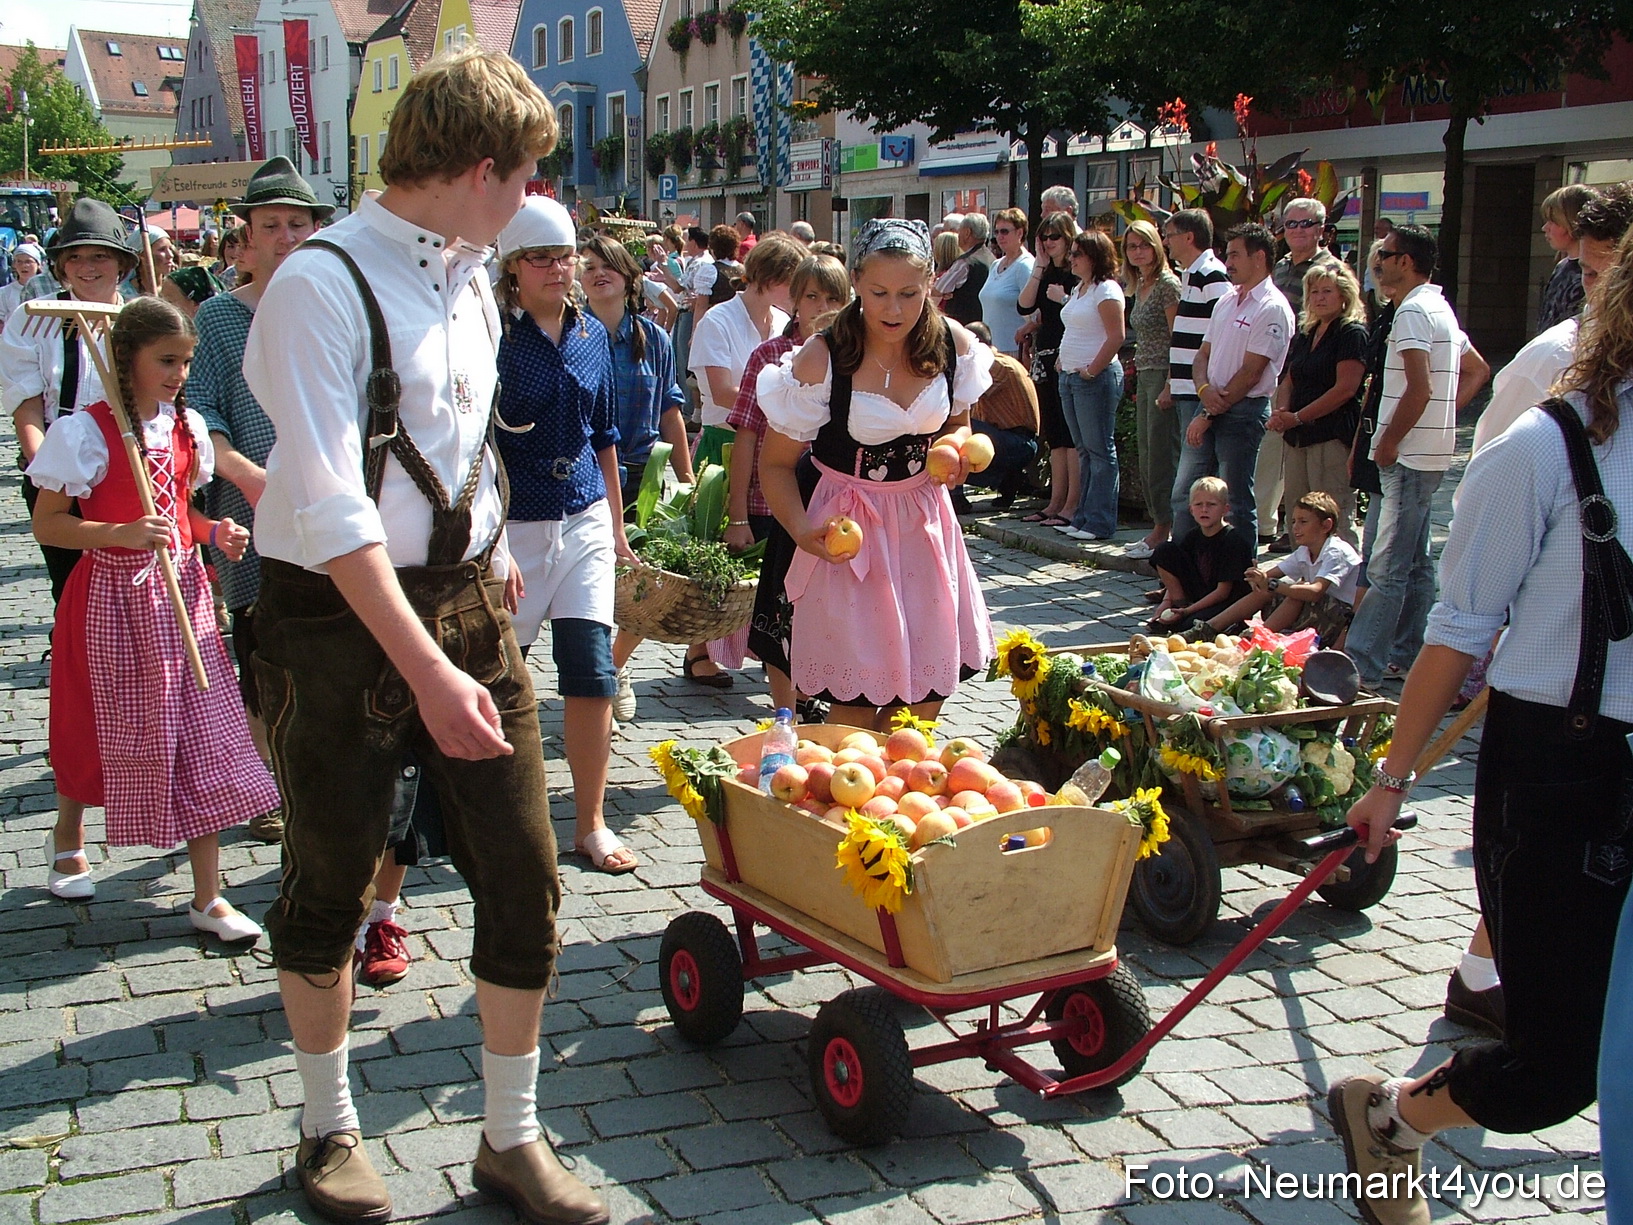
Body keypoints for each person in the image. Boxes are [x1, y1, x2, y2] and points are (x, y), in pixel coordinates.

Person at [240, 47, 607, 1225]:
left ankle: (512, 1136)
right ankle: (328, 1126)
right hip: (338, 623)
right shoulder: (318, 284)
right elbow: (335, 511)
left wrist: (487, 530)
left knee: (523, 874)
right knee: (332, 882)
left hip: (464, 597)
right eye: (529, 174)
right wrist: (427, 669)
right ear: (481, 168)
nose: (535, 200)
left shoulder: (462, 271)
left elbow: (457, 431)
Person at [1332, 224, 1633, 1225]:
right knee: (1558, 1067)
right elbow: (1456, 633)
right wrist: (1390, 776)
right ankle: (1395, 1115)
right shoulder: (1544, 447)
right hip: (1561, 775)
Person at [27, 296, 278, 932]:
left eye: (186, 361)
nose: (178, 373)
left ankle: (207, 896)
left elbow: (177, 521)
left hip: (183, 596)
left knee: (200, 732)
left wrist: (212, 530)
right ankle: (68, 835)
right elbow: (49, 526)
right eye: (166, 360)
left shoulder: (184, 428)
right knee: (97, 724)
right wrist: (120, 531)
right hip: (109, 598)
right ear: (127, 359)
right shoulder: (84, 431)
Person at [757, 218, 995, 731]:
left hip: (923, 529)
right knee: (855, 710)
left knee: (922, 704)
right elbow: (775, 464)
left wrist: (956, 447)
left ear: (930, 283)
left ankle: (898, 800)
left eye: (909, 293)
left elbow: (958, 422)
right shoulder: (824, 358)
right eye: (879, 292)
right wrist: (802, 532)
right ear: (857, 283)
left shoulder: (951, 344)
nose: (894, 309)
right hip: (850, 536)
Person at [493, 199, 639, 877]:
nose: (556, 269)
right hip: (512, 523)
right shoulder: (492, 335)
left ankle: (590, 822)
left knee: (591, 672)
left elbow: (604, 434)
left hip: (580, 514)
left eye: (563, 256)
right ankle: (497, 815)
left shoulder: (590, 335)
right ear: (512, 267)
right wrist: (486, 537)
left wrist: (614, 522)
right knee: (500, 676)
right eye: (539, 258)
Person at [191, 156, 332, 850]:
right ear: (244, 236)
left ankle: (313, 774)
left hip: (324, 502)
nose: (284, 236)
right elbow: (200, 415)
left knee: (324, 642)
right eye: (270, 224)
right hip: (251, 508)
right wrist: (246, 476)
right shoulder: (220, 317)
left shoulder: (333, 304)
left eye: (297, 224)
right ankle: (265, 781)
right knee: (262, 648)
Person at [1345, 224, 1489, 690]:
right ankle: (1407, 653)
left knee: (1387, 564)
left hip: (1407, 457)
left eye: (1385, 254)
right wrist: (1440, 420)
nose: (1378, 261)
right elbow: (1476, 371)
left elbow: (1423, 387)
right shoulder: (1439, 307)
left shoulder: (1412, 310)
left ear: (1405, 261)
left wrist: (1389, 441)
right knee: (1417, 561)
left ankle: (1360, 664)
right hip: (1427, 453)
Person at [580, 233, 696, 723]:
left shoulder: (656, 339)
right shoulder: (573, 335)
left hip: (641, 477)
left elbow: (671, 409)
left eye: (608, 264)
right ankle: (595, 674)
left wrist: (686, 477)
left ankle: (613, 664)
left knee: (644, 588)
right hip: (585, 478)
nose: (597, 271)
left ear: (630, 277)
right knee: (592, 584)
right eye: (587, 265)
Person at [730, 252, 851, 714]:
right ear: (795, 301)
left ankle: (808, 697)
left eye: (833, 297)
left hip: (834, 506)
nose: (821, 306)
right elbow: (747, 436)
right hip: (777, 499)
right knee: (777, 608)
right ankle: (787, 707)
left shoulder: (853, 357)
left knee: (822, 612)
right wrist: (737, 513)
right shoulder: (770, 356)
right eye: (811, 296)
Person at [2, 200, 133, 606]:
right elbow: (24, 396)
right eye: (73, 256)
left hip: (123, 465)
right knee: (72, 585)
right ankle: (71, 655)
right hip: (53, 464)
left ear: (122, 264)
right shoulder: (35, 315)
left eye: (99, 255)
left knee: (126, 577)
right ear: (59, 264)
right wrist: (43, 464)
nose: (86, 266)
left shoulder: (139, 319)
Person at [685, 233, 800, 684]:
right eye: (791, 283)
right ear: (767, 278)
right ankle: (699, 649)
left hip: (772, 443)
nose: (796, 293)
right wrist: (780, 402)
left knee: (763, 556)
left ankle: (756, 641)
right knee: (718, 551)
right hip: (723, 441)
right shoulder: (718, 320)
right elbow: (722, 393)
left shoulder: (782, 321)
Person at [1473, 182, 1633, 457]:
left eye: (1620, 279)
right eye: (1591, 274)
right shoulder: (1553, 357)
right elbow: (1491, 468)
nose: (1605, 293)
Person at [1178, 222, 1294, 543]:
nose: (1227, 263)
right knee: (1189, 493)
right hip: (1210, 405)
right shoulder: (1226, 301)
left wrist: (1209, 412)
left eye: (1234, 255)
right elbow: (1202, 356)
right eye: (1227, 255)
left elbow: (1252, 372)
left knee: (1237, 501)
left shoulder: (1273, 307)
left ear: (1259, 257)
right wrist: (1204, 392)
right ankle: (1187, 572)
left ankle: (1241, 580)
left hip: (1242, 411)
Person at [1260, 199, 1344, 548]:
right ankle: (1274, 525)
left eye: (1305, 224)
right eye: (1290, 224)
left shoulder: (1331, 270)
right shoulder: (1277, 268)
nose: (1296, 230)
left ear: (1321, 229)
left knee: (1303, 462)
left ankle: (1304, 534)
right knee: (1273, 456)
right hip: (1275, 369)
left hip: (1312, 374)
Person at [1269, 262, 1367, 547]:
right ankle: (1304, 580)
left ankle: (1340, 584)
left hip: (1330, 434)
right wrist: (1283, 412)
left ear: (1344, 296)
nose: (1320, 298)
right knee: (1300, 515)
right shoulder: (1307, 332)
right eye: (1314, 292)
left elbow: (1345, 389)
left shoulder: (1351, 333)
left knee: (1332, 514)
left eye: (1327, 291)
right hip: (1298, 437)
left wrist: (1298, 417)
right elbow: (1290, 378)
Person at [1197, 490, 1359, 642]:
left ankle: (1258, 639)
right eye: (1294, 521)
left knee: (1297, 589)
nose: (1295, 527)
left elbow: (1315, 592)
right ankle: (1210, 627)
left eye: (1303, 522)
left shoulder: (1335, 551)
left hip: (1341, 617)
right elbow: (1269, 577)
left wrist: (1272, 584)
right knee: (1269, 590)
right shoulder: (1304, 551)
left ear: (1326, 526)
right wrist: (1257, 577)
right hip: (1318, 611)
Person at [1162, 209, 1231, 537]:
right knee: (1189, 482)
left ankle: (1184, 558)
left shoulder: (1211, 274)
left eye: (1171, 235)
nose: (1166, 242)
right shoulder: (1191, 274)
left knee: (1189, 485)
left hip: (1200, 393)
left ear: (1189, 237)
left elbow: (1221, 336)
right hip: (1186, 391)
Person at [1054, 229, 1125, 541]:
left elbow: (1116, 336)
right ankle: (1082, 516)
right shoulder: (1081, 288)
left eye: (1077, 254)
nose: (1072, 260)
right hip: (1069, 377)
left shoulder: (1106, 290)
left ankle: (1099, 521)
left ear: (1094, 257)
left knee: (1099, 450)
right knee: (1083, 450)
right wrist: (1062, 361)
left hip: (1093, 380)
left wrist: (1092, 370)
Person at [1015, 211, 1080, 526]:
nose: (1049, 243)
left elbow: (1087, 310)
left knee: (1070, 435)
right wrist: (1040, 265)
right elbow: (1025, 304)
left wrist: (1064, 298)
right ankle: (1055, 502)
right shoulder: (1045, 272)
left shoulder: (1077, 272)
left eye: (1055, 237)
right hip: (1045, 355)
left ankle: (1071, 504)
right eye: (1044, 237)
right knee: (1054, 434)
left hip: (1068, 357)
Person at [1121, 219, 1181, 560]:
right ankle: (1157, 524)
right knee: (1146, 453)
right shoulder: (1140, 284)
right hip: (1144, 370)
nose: (1138, 252)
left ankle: (1165, 528)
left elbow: (1179, 337)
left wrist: (1172, 381)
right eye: (1131, 247)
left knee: (1160, 454)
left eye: (1143, 245)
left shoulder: (1167, 285)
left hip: (1162, 372)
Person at [1148, 476, 1253, 631]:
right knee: (1164, 550)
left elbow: (1222, 593)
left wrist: (1187, 612)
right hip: (1201, 593)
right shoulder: (1193, 536)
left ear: (1225, 509)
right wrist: (1167, 603)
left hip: (1227, 602)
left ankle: (1187, 615)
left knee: (1188, 626)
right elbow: (1177, 570)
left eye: (1211, 505)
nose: (1204, 509)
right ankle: (1180, 605)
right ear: (1191, 509)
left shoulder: (1233, 540)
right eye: (1199, 505)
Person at [961, 320, 1039, 510]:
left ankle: (956, 496)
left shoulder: (996, 365)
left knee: (956, 430)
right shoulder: (994, 362)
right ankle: (1008, 480)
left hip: (1019, 443)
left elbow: (958, 396)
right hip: (1012, 440)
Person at [1537, 183, 1598, 333]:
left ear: (1573, 223)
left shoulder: (1592, 273)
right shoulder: (1561, 266)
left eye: (1553, 221)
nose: (1545, 228)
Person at [977, 208, 1035, 358]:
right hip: (990, 349)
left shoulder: (1025, 266)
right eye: (996, 232)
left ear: (1019, 233)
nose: (999, 237)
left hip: (1013, 349)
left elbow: (1033, 314)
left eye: (1004, 232)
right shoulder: (996, 264)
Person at [941, 213, 993, 326]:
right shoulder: (992, 258)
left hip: (963, 325)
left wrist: (950, 294)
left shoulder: (965, 262)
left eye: (959, 230)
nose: (957, 235)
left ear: (967, 233)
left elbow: (939, 289)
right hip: (984, 323)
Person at [0, 241, 44, 318]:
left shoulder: (46, 290)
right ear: (14, 265)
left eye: (28, 261)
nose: (24, 266)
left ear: (38, 265)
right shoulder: (4, 293)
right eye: (19, 262)